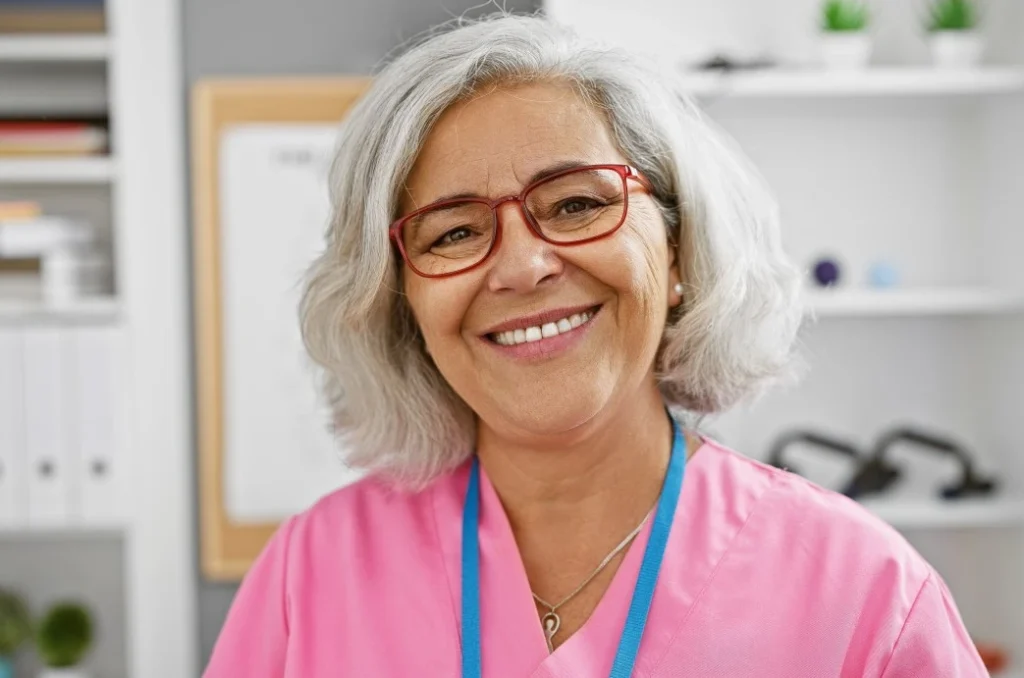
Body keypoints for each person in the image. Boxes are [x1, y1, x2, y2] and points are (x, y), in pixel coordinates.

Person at [204, 13, 986, 678]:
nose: (522, 266)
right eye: (454, 232)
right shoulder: (313, 573)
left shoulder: (863, 591)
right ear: (402, 303)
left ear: (678, 251)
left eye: (576, 203)